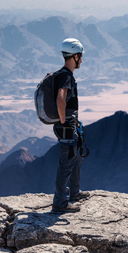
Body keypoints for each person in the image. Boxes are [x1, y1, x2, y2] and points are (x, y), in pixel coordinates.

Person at [52, 38, 90, 212]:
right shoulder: (66, 76)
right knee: (66, 165)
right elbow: (61, 99)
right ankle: (60, 203)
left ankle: (74, 193)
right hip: (67, 127)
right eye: (80, 57)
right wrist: (64, 122)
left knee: (76, 159)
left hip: (70, 126)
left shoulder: (61, 75)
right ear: (75, 56)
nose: (81, 60)